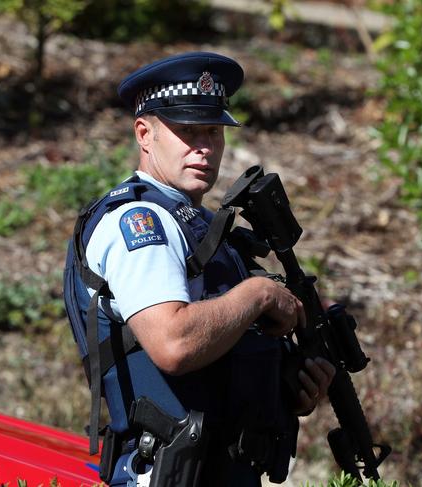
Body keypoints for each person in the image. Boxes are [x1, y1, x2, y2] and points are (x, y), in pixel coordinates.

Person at [64, 51, 336, 486]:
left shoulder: (203, 229)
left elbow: (222, 352)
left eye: (213, 131)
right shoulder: (140, 223)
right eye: (187, 131)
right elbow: (174, 344)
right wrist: (259, 294)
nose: (204, 147)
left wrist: (289, 386)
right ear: (144, 134)